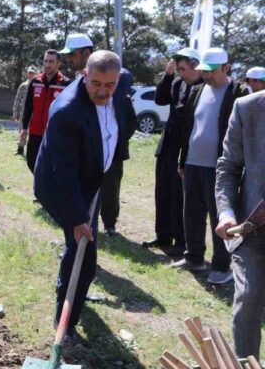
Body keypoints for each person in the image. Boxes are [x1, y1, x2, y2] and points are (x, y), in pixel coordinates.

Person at [34, 51, 133, 340]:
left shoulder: (122, 85)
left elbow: (125, 120)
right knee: (83, 253)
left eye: (109, 85)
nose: (103, 91)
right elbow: (63, 171)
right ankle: (64, 323)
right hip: (62, 185)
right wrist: (78, 218)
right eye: (96, 84)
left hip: (93, 179)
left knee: (84, 246)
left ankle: (70, 297)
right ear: (83, 76)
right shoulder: (67, 111)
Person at [173, 47, 249, 285]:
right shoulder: (197, 90)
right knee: (192, 214)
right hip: (193, 163)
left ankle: (222, 265)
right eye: (204, 71)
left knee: (221, 218)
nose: (207, 75)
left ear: (226, 67)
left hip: (220, 167)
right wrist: (182, 159)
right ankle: (194, 257)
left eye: (212, 71)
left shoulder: (239, 92)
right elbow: (189, 128)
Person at [215, 89, 265, 361]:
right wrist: (226, 212)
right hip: (254, 228)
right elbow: (228, 167)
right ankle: (247, 364)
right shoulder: (247, 108)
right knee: (248, 298)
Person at [143, 48, 203, 255]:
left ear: (195, 66)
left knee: (180, 197)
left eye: (183, 69)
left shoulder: (203, 87)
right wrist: (168, 76)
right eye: (177, 69)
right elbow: (160, 99)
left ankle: (181, 241)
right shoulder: (177, 83)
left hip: (187, 149)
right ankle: (163, 235)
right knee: (163, 192)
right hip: (167, 146)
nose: (180, 73)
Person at [99, 68, 137, 236]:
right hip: (93, 151)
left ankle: (109, 223)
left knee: (111, 189)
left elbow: (131, 125)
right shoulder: (95, 97)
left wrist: (118, 140)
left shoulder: (124, 101)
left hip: (114, 153)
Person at [20, 50, 69, 173]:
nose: (47, 64)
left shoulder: (65, 84)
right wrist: (24, 128)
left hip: (54, 134)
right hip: (35, 132)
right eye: (45, 61)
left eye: (51, 61)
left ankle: (47, 189)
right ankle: (43, 186)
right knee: (31, 161)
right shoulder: (35, 81)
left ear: (58, 64)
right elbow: (28, 106)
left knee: (51, 166)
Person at [12, 66, 36, 155]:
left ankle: (31, 151)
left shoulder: (37, 85)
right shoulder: (23, 86)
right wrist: (15, 112)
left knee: (33, 132)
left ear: (35, 74)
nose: (31, 74)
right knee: (22, 129)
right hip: (23, 112)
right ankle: (20, 149)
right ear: (27, 74)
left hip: (34, 112)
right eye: (29, 73)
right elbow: (17, 99)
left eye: (32, 73)